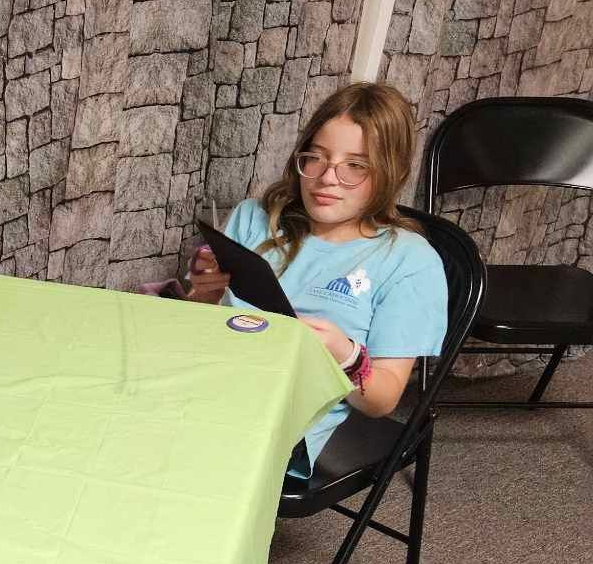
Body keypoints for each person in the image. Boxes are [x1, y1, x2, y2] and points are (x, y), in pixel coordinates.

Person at [177, 81, 448, 469]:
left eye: (355, 166)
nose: (327, 178)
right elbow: (201, 335)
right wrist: (203, 296)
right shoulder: (254, 219)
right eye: (316, 157)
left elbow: (383, 399)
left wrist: (346, 355)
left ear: (389, 172)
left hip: (280, 423)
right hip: (209, 383)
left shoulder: (409, 261)